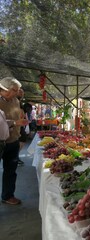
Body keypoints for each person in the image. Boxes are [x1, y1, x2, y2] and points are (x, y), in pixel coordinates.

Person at [0, 77, 28, 205]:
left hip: (13, 140)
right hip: (1, 141)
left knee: (11, 170)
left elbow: (17, 117)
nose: (18, 92)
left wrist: (20, 123)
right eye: (15, 90)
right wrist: (15, 123)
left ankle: (8, 195)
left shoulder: (16, 101)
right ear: (6, 90)